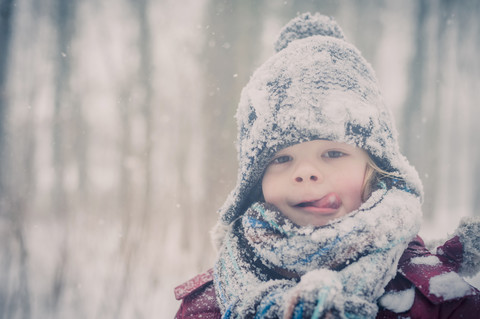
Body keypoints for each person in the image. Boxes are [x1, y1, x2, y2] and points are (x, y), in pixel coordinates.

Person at [174, 12, 480, 318]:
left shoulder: (442, 300)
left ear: (373, 168)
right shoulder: (204, 306)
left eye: (333, 153)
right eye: (281, 158)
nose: (306, 172)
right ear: (256, 184)